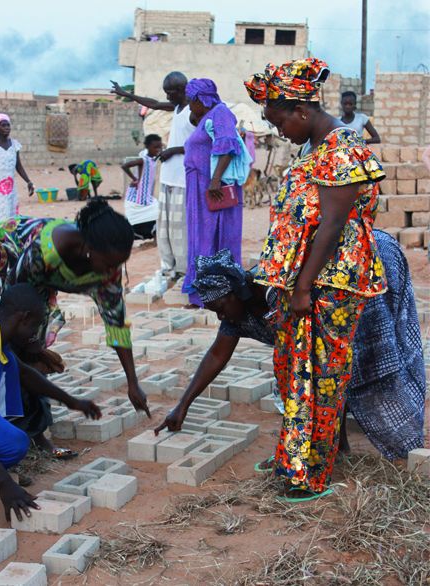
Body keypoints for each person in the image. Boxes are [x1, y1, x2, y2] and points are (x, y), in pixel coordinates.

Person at [241, 57, 386, 500]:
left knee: (321, 375)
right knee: (296, 371)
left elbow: (333, 224)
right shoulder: (314, 148)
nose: (277, 131)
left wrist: (302, 286)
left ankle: (310, 473)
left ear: (301, 112)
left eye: (278, 120)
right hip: (304, 281)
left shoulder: (342, 148)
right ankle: (296, 452)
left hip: (330, 283)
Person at [157, 240, 426, 463]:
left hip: (364, 262)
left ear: (236, 292)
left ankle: (361, 443)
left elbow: (319, 361)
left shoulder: (277, 292)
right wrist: (182, 406)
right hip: (327, 308)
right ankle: (337, 445)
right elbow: (217, 355)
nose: (220, 317)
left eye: (220, 308)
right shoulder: (235, 314)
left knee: (364, 358)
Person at [0, 200, 153, 459]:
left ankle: (36, 433)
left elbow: (116, 324)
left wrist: (133, 383)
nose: (111, 271)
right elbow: (15, 308)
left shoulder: (108, 268)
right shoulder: (46, 251)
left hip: (34, 283)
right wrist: (32, 347)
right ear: (88, 248)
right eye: (107, 264)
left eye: (118, 264)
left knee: (34, 351)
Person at [0, 284, 103, 522]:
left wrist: (73, 402)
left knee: (15, 440)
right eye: (36, 326)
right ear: (23, 318)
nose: (36, 334)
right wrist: (5, 484)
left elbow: (25, 374)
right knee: (11, 447)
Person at [111, 72, 193, 285]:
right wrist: (126, 94)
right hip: (168, 177)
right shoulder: (176, 108)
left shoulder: (194, 111)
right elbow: (154, 104)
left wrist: (173, 150)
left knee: (179, 229)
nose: (167, 97)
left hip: (183, 179)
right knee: (165, 228)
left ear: (181, 90)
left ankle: (183, 271)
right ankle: (169, 268)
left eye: (170, 93)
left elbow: (200, 144)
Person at [181, 78, 249, 307]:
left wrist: (215, 180)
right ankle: (203, 291)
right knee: (201, 235)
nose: (190, 106)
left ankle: (217, 292)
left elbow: (228, 146)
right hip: (200, 186)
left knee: (213, 235)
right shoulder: (208, 116)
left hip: (212, 188)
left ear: (201, 99)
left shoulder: (220, 113)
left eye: (192, 101)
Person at [0, 113, 35, 223]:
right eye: (3, 125)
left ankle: (8, 239)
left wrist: (29, 181)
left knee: (10, 214)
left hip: (10, 187)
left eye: (8, 125)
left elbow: (18, 165)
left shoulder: (14, 145)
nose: (7, 128)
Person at [120, 134, 164, 240]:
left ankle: (150, 233)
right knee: (157, 211)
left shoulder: (153, 159)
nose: (158, 149)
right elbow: (124, 166)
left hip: (146, 196)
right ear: (147, 147)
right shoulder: (143, 160)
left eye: (160, 147)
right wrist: (135, 179)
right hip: (139, 196)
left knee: (158, 210)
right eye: (155, 147)